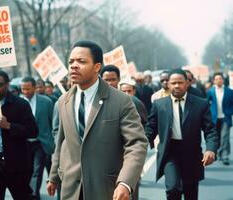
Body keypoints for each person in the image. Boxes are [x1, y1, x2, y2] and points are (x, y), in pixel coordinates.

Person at [47, 40, 148, 200]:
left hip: (108, 189)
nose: (74, 65)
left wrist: (125, 182)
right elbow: (61, 143)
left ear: (97, 67)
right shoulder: (63, 101)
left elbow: (136, 143)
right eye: (71, 61)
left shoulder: (121, 101)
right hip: (71, 189)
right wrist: (53, 176)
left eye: (81, 61)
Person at [145, 68, 218, 200]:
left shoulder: (200, 104)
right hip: (169, 153)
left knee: (190, 192)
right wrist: (140, 143)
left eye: (180, 82)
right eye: (173, 83)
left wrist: (211, 149)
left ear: (187, 83)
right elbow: (150, 128)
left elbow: (210, 130)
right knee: (172, 188)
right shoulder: (159, 105)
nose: (177, 85)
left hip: (192, 153)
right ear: (168, 84)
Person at [0, 70, 39, 200]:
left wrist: (9, 126)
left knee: (22, 196)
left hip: (16, 162)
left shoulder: (21, 104)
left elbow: (33, 131)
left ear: (7, 85)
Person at [21, 76, 55, 200]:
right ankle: (32, 194)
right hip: (24, 144)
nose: (25, 92)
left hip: (41, 143)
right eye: (23, 89)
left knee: (37, 170)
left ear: (35, 88)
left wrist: (53, 141)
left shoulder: (46, 102)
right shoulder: (18, 102)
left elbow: (53, 123)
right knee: (28, 171)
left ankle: (34, 196)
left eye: (28, 89)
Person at [207, 72, 233, 165]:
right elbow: (206, 104)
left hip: (226, 117)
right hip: (214, 118)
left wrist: (230, 111)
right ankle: (217, 153)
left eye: (220, 78)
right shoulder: (210, 91)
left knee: (224, 137)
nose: (219, 80)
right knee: (216, 137)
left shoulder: (229, 91)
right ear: (214, 81)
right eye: (217, 79)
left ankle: (225, 155)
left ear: (223, 80)